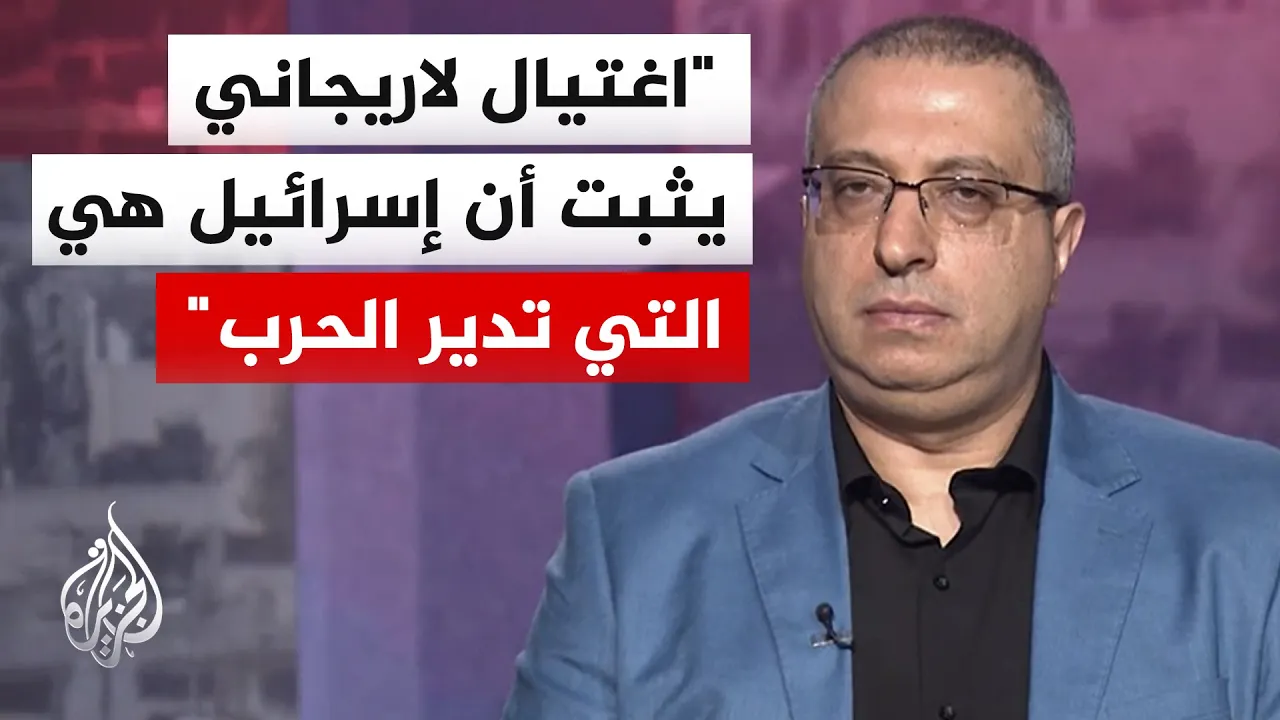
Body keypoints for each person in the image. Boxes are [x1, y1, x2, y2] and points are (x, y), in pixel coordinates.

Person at [502, 15, 1280, 720]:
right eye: (855, 189)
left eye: (966, 193)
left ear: (1059, 246)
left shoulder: (1251, 531)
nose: (898, 243)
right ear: (808, 224)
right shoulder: (634, 539)